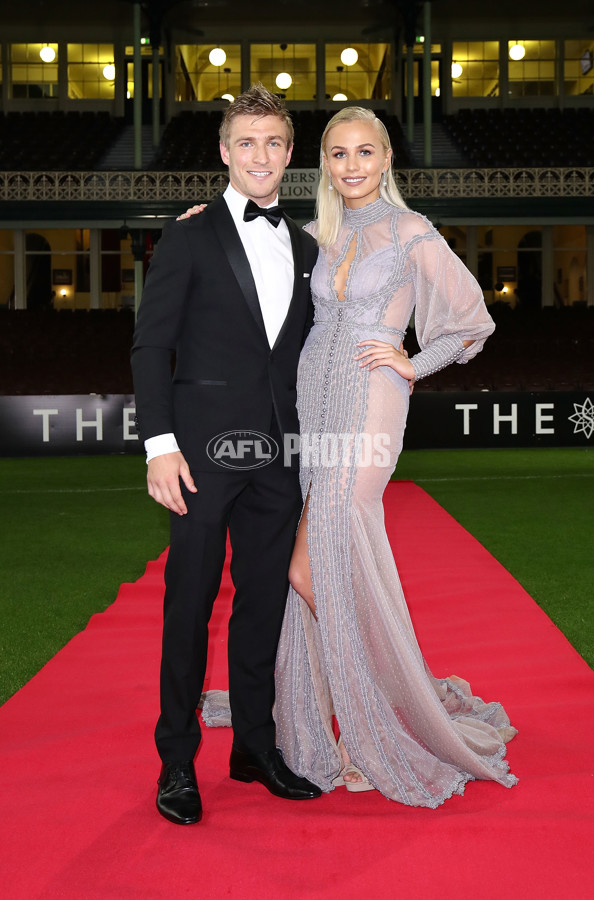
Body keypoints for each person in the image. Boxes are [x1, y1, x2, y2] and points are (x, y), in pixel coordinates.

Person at [271, 106, 518, 804]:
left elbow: (473, 319)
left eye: (365, 152)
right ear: (327, 164)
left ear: (386, 160)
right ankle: (338, 710)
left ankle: (375, 715)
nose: (352, 166)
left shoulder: (412, 232)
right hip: (313, 389)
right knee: (317, 551)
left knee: (325, 543)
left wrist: (415, 361)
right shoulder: (315, 233)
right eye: (339, 154)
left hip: (373, 389)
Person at [131, 83, 322, 826]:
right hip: (201, 458)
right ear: (224, 151)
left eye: (273, 142)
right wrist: (158, 446)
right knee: (188, 607)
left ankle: (254, 746)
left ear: (289, 154)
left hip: (280, 459)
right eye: (247, 142)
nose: (261, 155)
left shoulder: (304, 246)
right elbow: (153, 345)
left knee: (263, 607)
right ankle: (177, 760)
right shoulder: (188, 234)